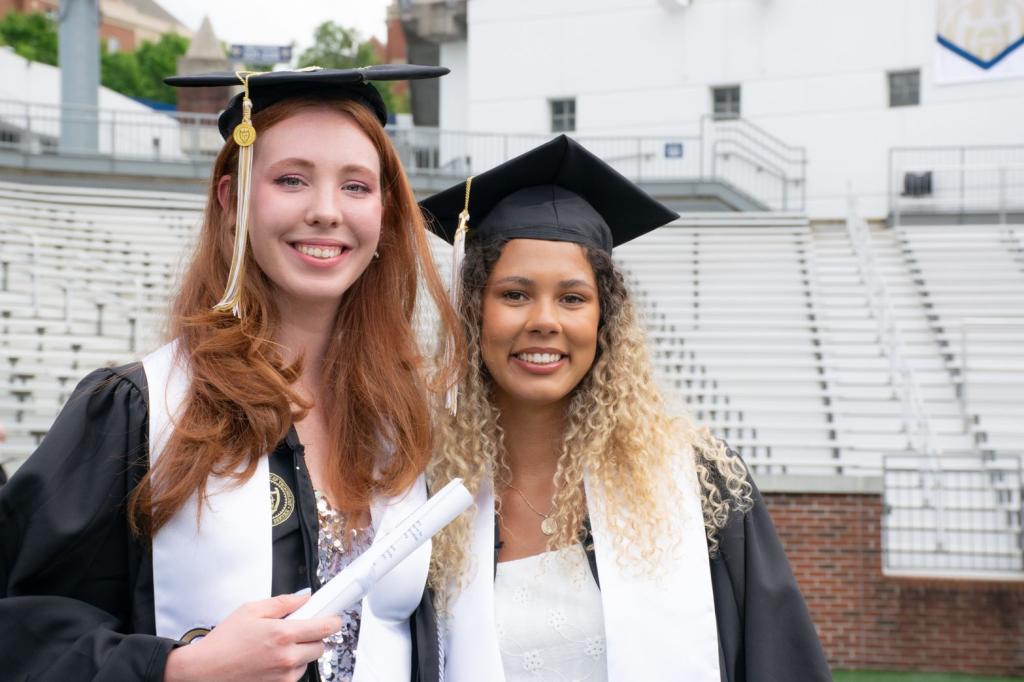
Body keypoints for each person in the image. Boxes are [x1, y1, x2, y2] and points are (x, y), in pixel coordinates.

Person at [0, 66, 459, 682]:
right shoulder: (141, 410)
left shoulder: (405, 418)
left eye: (356, 186)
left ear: (384, 211)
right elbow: (22, 631)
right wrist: (180, 668)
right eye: (291, 179)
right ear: (231, 199)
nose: (325, 212)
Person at [420, 135, 832, 681]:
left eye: (572, 298)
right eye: (515, 294)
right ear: (473, 312)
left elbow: (778, 660)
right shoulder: (421, 491)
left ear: (604, 320)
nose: (545, 320)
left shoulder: (700, 480)